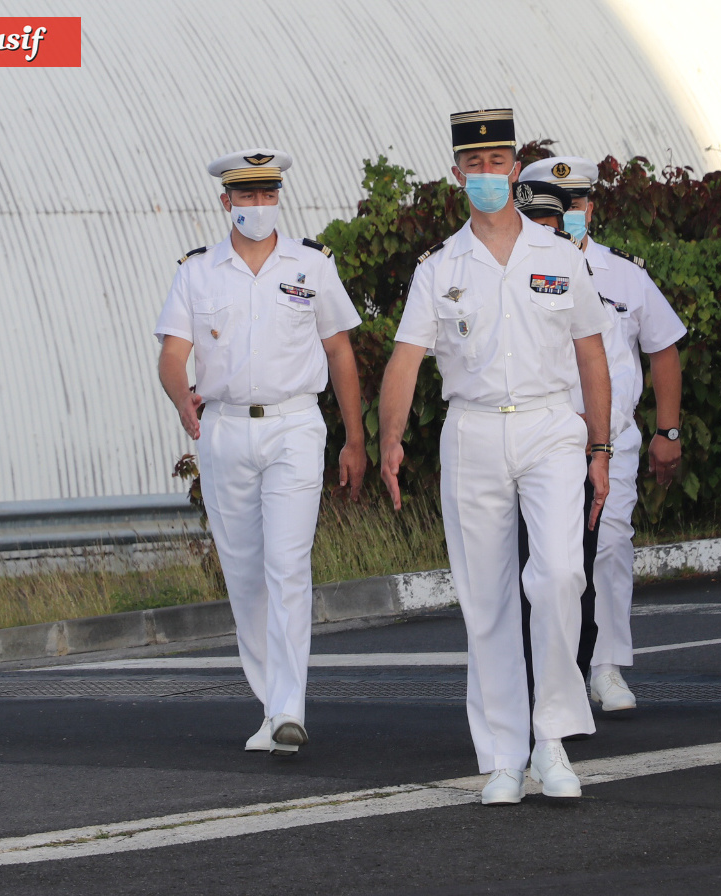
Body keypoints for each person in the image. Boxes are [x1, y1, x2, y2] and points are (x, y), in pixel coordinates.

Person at [378, 110, 615, 806]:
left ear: (515, 169)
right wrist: (390, 438)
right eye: (473, 165)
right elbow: (405, 359)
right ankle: (505, 754)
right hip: (473, 430)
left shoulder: (559, 257)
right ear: (457, 175)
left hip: (549, 426)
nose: (486, 175)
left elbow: (591, 354)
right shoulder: (439, 267)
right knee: (485, 600)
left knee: (560, 576)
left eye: (497, 162)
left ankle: (553, 740)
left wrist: (599, 447)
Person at [155, 148, 366, 757]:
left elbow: (340, 351)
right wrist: (181, 398)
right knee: (245, 575)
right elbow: (173, 354)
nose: (257, 206)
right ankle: (271, 705)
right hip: (223, 429)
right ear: (226, 202)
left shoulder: (312, 265)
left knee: (287, 564)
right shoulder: (197, 272)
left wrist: (354, 436)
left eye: (266, 194)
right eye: (245, 196)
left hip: (295, 425)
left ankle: (289, 706)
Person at [521, 155, 687, 711]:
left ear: (592, 206)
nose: (572, 212)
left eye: (579, 202)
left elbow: (662, 348)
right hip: (540, 439)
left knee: (609, 550)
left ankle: (607, 666)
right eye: (559, 204)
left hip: (609, 442)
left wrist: (668, 429)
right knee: (547, 563)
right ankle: (550, 670)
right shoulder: (518, 267)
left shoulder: (624, 275)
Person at [510, 179, 639, 689]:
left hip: (571, 450)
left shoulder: (578, 281)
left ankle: (570, 683)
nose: (544, 238)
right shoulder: (498, 284)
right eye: (534, 229)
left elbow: (609, 369)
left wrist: (599, 446)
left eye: (551, 229)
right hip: (509, 448)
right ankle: (522, 688)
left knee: (571, 576)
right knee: (516, 579)